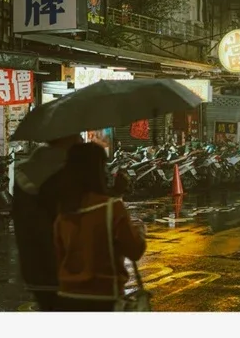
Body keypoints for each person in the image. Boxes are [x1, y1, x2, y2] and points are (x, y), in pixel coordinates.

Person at [53, 137, 146, 311]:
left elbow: (59, 258)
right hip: (104, 298)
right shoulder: (112, 208)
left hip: (67, 297)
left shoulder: (64, 212)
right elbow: (134, 250)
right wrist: (139, 230)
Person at [11, 133, 76, 309]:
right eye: (76, 136)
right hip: (67, 269)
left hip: (33, 268)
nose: (80, 140)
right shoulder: (67, 171)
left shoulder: (25, 171)